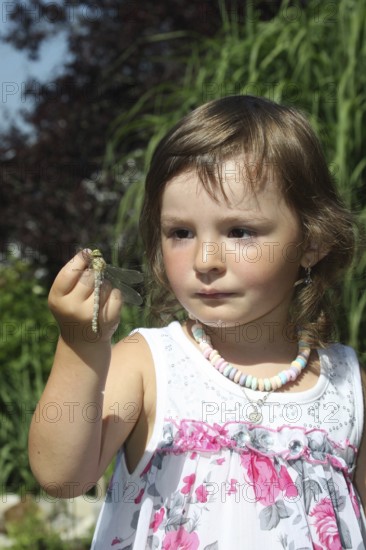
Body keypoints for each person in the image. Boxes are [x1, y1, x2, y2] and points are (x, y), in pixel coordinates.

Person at [29, 95, 366, 549]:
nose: (205, 260)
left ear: (313, 241)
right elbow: (62, 476)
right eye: (181, 233)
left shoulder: (350, 386)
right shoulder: (150, 365)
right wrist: (79, 347)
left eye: (240, 231)